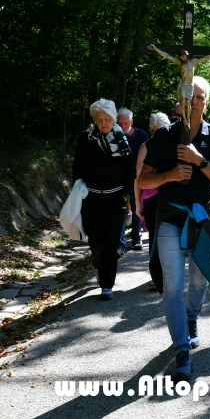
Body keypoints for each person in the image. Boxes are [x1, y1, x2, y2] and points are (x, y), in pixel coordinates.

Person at [138, 76, 210, 382]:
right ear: (180, 99)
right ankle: (181, 350)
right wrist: (169, 175)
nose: (194, 103)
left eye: (200, 98)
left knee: (200, 278)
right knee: (172, 285)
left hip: (204, 218)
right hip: (170, 218)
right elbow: (143, 180)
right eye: (189, 97)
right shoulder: (164, 136)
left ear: (206, 101)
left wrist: (199, 160)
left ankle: (191, 319)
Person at [72, 99, 135, 301]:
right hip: (91, 198)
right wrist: (78, 187)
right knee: (95, 237)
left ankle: (107, 285)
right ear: (95, 121)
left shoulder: (122, 139)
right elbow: (77, 166)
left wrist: (126, 193)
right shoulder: (86, 139)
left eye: (107, 119)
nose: (103, 124)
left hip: (114, 199)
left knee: (110, 242)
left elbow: (130, 170)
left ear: (113, 119)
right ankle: (100, 265)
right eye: (99, 120)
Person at [148, 44, 210, 131]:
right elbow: (167, 56)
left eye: (184, 57)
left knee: (188, 103)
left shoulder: (193, 62)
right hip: (184, 84)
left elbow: (206, 58)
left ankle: (186, 120)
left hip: (190, 85)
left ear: (187, 55)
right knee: (183, 102)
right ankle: (185, 121)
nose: (183, 59)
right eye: (181, 57)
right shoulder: (180, 63)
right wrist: (156, 49)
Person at [134, 112, 171, 290]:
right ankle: (157, 277)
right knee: (155, 238)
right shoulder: (145, 147)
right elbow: (138, 178)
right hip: (151, 198)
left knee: (171, 236)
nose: (158, 135)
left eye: (161, 131)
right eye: (155, 131)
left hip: (171, 197)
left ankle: (170, 273)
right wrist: (137, 204)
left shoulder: (173, 146)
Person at [117, 107, 150, 250]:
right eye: (120, 123)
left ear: (132, 121)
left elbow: (150, 154)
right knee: (120, 208)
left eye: (126, 123)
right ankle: (120, 243)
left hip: (138, 177)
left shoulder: (142, 135)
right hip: (120, 177)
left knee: (136, 206)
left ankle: (136, 238)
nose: (123, 126)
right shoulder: (114, 135)